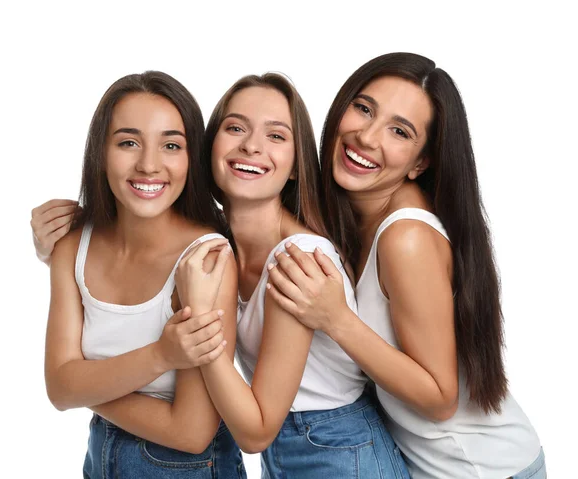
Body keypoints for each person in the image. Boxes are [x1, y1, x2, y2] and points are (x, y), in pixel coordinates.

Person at [265, 52, 545, 479]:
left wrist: (336, 318)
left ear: (420, 162)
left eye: (399, 131)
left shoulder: (406, 238)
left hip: (482, 469)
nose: (367, 137)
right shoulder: (352, 218)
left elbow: (440, 398)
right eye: (363, 109)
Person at [190, 73, 409, 478]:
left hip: (340, 452)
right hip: (291, 450)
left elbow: (255, 432)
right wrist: (68, 234)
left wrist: (197, 333)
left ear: (295, 167)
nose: (251, 145)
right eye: (235, 127)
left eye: (276, 136)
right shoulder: (216, 241)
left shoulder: (300, 259)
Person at [43, 71, 245, 478]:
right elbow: (58, 389)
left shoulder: (205, 260)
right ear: (101, 151)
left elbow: (191, 431)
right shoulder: (71, 250)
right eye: (128, 142)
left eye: (171, 145)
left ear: (192, 158)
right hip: (100, 459)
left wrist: (82, 386)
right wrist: (160, 356)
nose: (149, 165)